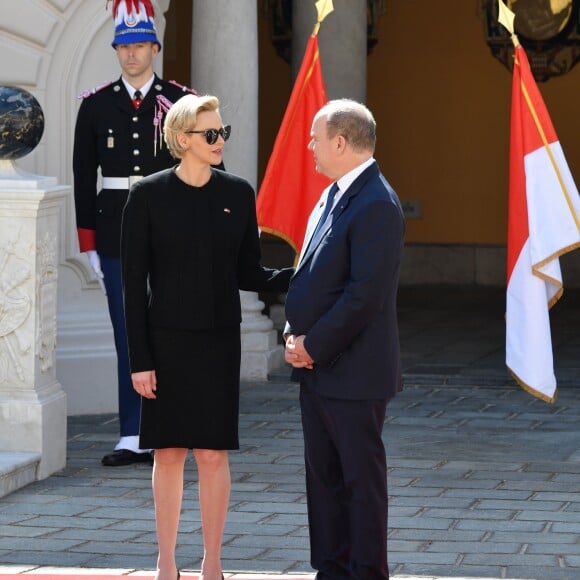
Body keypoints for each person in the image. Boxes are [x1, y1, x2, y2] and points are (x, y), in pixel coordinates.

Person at [121, 93, 293, 580]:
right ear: (181, 140)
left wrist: (299, 275)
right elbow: (133, 285)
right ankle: (167, 562)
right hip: (166, 341)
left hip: (218, 340)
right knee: (170, 451)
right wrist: (140, 359)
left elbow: (248, 270)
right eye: (209, 134)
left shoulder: (238, 193)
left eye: (222, 133)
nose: (219, 141)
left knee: (213, 452)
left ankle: (213, 563)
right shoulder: (147, 195)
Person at [73, 0, 217, 466]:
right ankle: (133, 433)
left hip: (169, 230)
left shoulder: (180, 102)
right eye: (123, 46)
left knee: (171, 330)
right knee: (127, 331)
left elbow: (201, 165)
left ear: (155, 47)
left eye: (138, 45)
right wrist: (88, 242)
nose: (130, 54)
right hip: (116, 230)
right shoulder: (95, 105)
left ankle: (170, 429)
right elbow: (82, 177)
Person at [284, 99, 405, 579]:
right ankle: (331, 570)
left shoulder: (376, 202)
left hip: (353, 373)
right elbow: (313, 277)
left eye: (315, 137)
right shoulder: (335, 194)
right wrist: (296, 333)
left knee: (360, 483)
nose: (309, 145)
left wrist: (312, 345)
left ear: (340, 141)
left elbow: (364, 296)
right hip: (319, 372)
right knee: (325, 484)